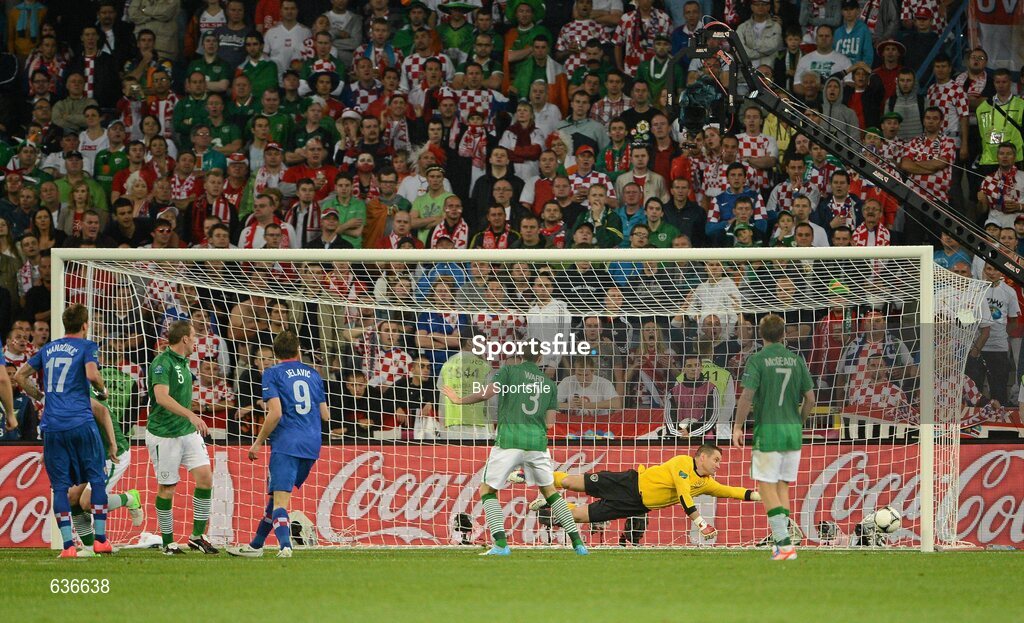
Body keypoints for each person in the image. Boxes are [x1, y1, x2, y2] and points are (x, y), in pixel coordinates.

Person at [442, 342, 588, 556]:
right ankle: (579, 544)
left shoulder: (508, 371)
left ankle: (501, 545)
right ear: (540, 359)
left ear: (519, 356)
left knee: (487, 490)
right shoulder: (549, 384)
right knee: (550, 493)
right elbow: (550, 423)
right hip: (537, 443)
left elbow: (485, 394)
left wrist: (458, 399)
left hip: (509, 440)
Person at [14, 304, 115, 558]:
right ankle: (101, 540)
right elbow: (92, 374)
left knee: (60, 487)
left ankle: (68, 546)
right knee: (96, 478)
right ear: (84, 325)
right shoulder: (87, 346)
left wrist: (39, 394)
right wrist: (103, 390)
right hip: (81, 422)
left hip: (53, 426)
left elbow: (19, 375)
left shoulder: (47, 349)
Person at [528, 444, 760, 544]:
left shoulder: (706, 483)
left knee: (578, 516)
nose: (719, 465)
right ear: (702, 457)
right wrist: (702, 524)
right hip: (629, 483)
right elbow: (683, 495)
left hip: (635, 506)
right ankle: (531, 476)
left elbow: (732, 491)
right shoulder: (682, 463)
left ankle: (551, 504)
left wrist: (762, 496)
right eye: (716, 459)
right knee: (571, 482)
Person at [228, 330, 328, 559]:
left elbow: (275, 413)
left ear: (275, 353)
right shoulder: (313, 374)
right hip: (312, 444)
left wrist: (257, 443)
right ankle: (256, 545)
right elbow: (325, 415)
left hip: (287, 442)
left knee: (281, 501)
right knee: (275, 498)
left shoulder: (272, 373)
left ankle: (285, 547)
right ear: (298, 350)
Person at [733, 314, 815, 561]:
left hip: (769, 429)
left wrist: (738, 426)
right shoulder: (796, 360)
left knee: (765, 485)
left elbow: (747, 396)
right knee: (782, 486)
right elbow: (810, 399)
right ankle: (783, 545)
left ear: (761, 334)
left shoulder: (757, 360)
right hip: (792, 430)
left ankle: (785, 544)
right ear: (784, 334)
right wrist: (799, 422)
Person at [145, 319, 218, 555]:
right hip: (164, 434)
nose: (197, 341)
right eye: (195, 336)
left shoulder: (184, 363)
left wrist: (191, 411)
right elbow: (162, 397)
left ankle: (197, 536)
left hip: (186, 432)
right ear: (185, 338)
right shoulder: (161, 363)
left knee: (205, 477)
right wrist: (191, 414)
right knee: (168, 487)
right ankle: (168, 542)